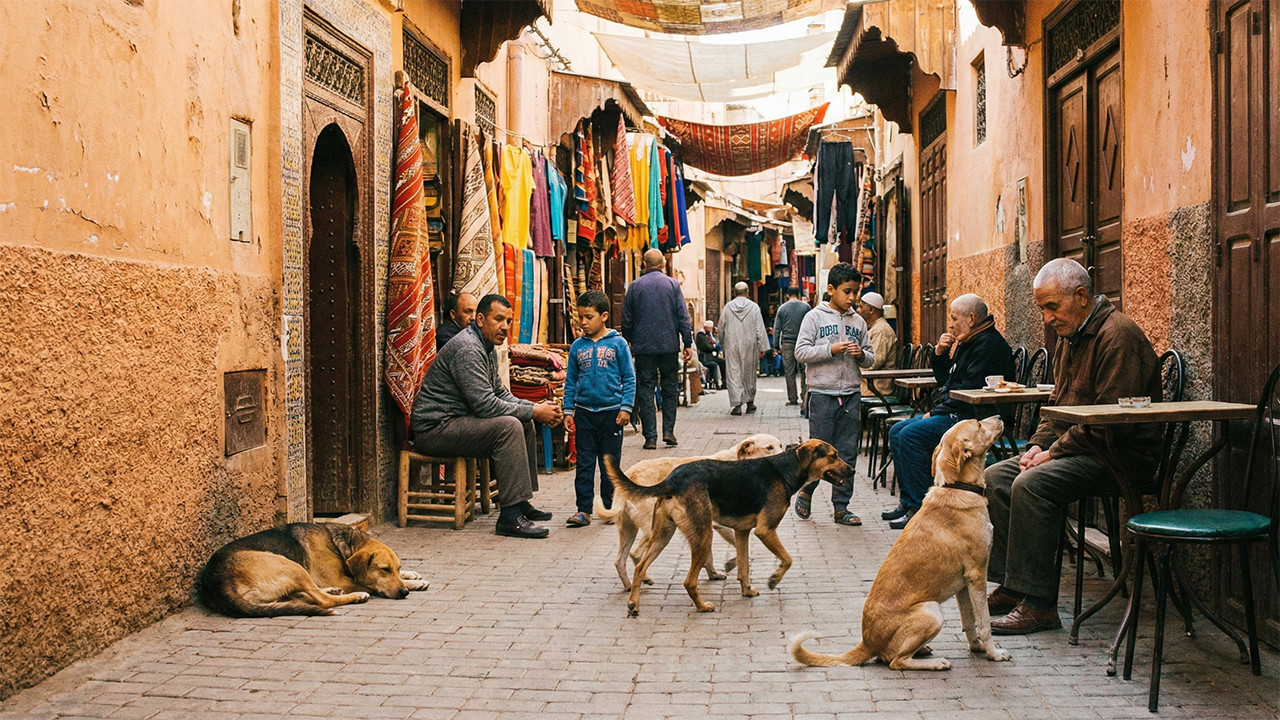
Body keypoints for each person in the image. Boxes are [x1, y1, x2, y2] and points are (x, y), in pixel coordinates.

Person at [985, 258, 1162, 635]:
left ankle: (1040, 605)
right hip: (1084, 448)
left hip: (1120, 456)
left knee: (1031, 484)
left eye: (1052, 306)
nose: (1047, 318)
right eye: (1042, 309)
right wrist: (1036, 446)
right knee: (997, 475)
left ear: (1081, 296)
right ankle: (1015, 584)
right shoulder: (1072, 338)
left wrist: (1052, 453)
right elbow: (1057, 409)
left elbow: (1111, 423)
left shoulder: (1118, 335)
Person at [411, 294, 563, 539]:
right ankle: (509, 517)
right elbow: (485, 406)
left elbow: (501, 393)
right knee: (509, 427)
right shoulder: (468, 348)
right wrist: (535, 411)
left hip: (457, 422)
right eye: (499, 319)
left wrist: (534, 408)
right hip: (435, 430)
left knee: (523, 423)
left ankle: (520, 501)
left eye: (508, 321)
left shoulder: (486, 347)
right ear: (480, 319)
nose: (505, 326)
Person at [882, 294, 1013, 530]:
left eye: (954, 318)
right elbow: (947, 382)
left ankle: (919, 508)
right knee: (896, 430)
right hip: (958, 411)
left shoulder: (988, 345)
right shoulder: (969, 340)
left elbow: (966, 392)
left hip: (976, 419)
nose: (950, 324)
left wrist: (935, 413)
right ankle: (908, 502)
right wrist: (941, 354)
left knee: (911, 436)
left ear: (971, 319)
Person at [792, 262, 874, 525]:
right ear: (831, 289)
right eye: (847, 291)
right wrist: (831, 349)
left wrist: (861, 355)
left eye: (856, 292)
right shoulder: (814, 317)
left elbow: (870, 358)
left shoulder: (858, 321)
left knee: (847, 453)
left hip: (851, 394)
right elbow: (800, 352)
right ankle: (806, 489)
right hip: (822, 395)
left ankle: (841, 507)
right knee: (817, 452)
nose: (852, 298)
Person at [562, 290, 635, 528]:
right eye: (580, 317)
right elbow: (570, 380)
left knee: (609, 464)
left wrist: (626, 408)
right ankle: (583, 510)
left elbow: (629, 378)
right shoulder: (577, 347)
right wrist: (568, 410)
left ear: (603, 316)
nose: (583, 322)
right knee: (584, 463)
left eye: (588, 317)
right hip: (584, 414)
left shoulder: (618, 344)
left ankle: (609, 507)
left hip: (611, 414)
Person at [621, 248, 694, 449]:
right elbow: (682, 316)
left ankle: (650, 437)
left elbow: (626, 319)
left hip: (643, 348)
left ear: (644, 264)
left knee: (646, 390)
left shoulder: (635, 287)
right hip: (668, 346)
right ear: (663, 264)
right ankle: (668, 431)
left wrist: (629, 341)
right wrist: (687, 343)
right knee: (670, 389)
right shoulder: (673, 285)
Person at [720, 281, 769, 415]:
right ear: (747, 292)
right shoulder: (754, 307)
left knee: (734, 373)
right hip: (750, 343)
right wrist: (762, 347)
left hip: (732, 343)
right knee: (749, 372)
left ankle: (737, 406)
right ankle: (750, 402)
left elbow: (721, 327)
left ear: (735, 293)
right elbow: (759, 328)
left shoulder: (728, 307)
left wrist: (722, 343)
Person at [857, 292, 899, 398]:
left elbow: (873, 364)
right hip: (867, 384)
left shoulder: (881, 330)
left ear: (871, 310)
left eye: (861, 307)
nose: (857, 310)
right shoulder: (874, 328)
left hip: (875, 388)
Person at [773, 286, 810, 406]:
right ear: (799, 295)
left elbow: (777, 328)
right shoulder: (806, 307)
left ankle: (792, 398)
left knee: (789, 372)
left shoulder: (782, 309)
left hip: (787, 343)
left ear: (787, 295)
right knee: (805, 371)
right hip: (803, 343)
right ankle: (805, 395)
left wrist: (776, 345)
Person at [695, 320, 726, 392]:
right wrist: (714, 346)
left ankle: (724, 383)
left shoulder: (708, 334)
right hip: (705, 357)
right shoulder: (701, 335)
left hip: (710, 355)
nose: (711, 330)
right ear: (706, 327)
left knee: (723, 362)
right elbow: (707, 347)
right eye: (710, 328)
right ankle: (716, 383)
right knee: (715, 364)